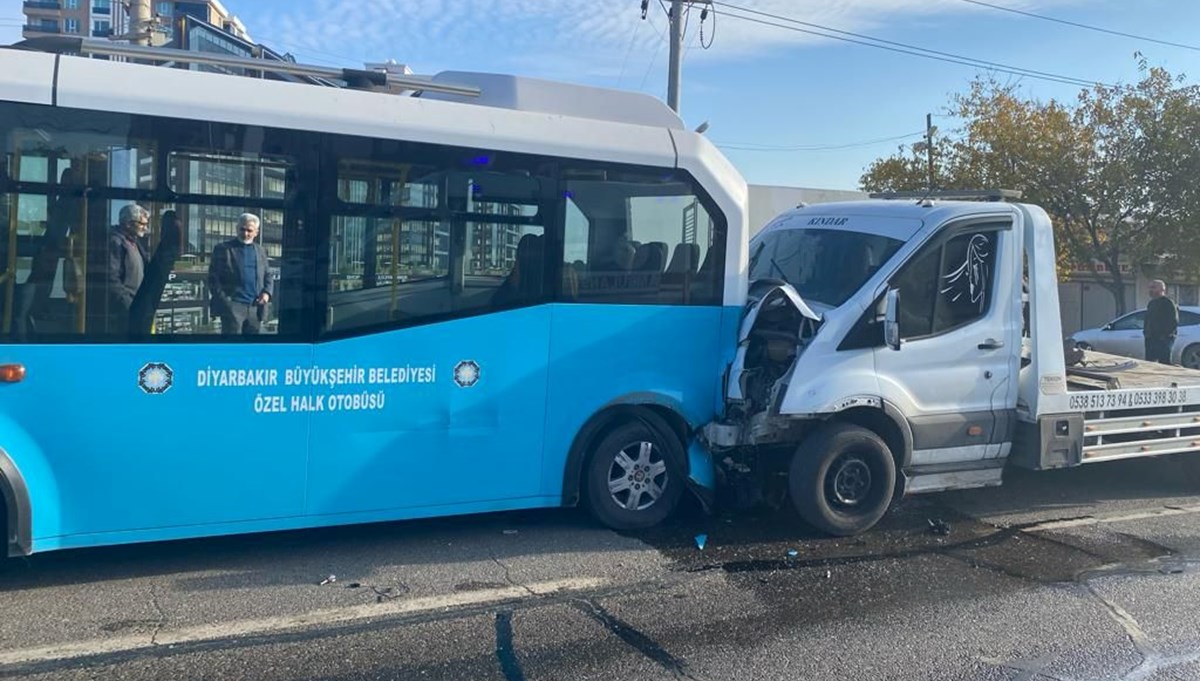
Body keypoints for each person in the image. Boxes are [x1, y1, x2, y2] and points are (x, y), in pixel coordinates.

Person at [207, 213, 274, 335]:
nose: (245, 233)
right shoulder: (223, 249)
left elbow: (268, 275)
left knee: (252, 348)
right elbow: (213, 279)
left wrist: (267, 293)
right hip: (233, 306)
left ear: (256, 232)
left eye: (249, 230)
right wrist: (226, 302)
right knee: (232, 348)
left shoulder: (261, 251)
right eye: (242, 229)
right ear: (237, 228)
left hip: (255, 306)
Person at [106, 203, 150, 333]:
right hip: (123, 311)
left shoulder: (134, 243)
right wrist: (129, 304)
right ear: (128, 223)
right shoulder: (116, 242)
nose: (145, 228)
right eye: (142, 224)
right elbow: (112, 278)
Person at [1144, 279, 1178, 364]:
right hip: (1151, 339)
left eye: (1154, 287)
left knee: (1164, 363)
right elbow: (1148, 319)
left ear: (1162, 289)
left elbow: (1173, 321)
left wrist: (1164, 335)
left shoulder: (1168, 303)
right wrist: (1146, 332)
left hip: (1163, 339)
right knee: (1149, 363)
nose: (1151, 290)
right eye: (1150, 288)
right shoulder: (1151, 303)